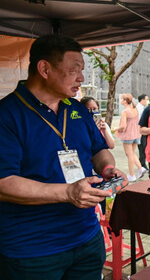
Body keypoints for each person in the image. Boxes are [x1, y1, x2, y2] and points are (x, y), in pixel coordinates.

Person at [0, 34, 126, 279]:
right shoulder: (7, 115)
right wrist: (68, 192)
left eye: (82, 70)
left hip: (86, 237)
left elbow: (98, 150)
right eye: (73, 70)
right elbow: (3, 183)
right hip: (32, 249)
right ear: (44, 68)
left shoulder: (76, 108)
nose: (81, 77)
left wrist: (107, 169)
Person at [114, 93, 145, 182]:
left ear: (125, 101)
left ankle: (132, 175)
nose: (120, 100)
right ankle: (140, 168)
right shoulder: (134, 109)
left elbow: (123, 126)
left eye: (121, 99)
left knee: (129, 154)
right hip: (136, 134)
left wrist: (115, 128)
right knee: (131, 153)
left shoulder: (125, 111)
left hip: (128, 135)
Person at [136, 94, 149, 169]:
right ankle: (142, 164)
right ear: (142, 100)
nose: (147, 101)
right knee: (142, 148)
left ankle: (142, 163)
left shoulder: (143, 108)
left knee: (144, 147)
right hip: (140, 131)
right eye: (147, 99)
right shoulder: (139, 108)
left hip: (144, 131)